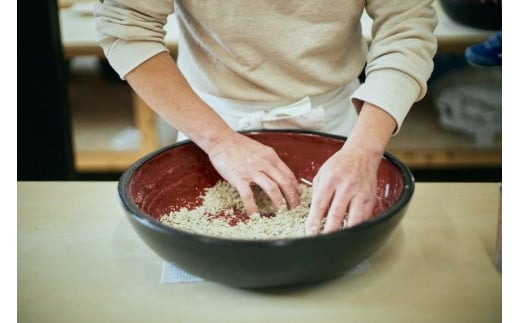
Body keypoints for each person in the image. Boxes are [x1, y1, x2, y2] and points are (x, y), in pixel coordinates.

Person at [94, 1, 438, 235]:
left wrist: (364, 150)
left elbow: (406, 27)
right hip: (211, 122)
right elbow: (127, 28)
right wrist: (219, 141)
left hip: (339, 125)